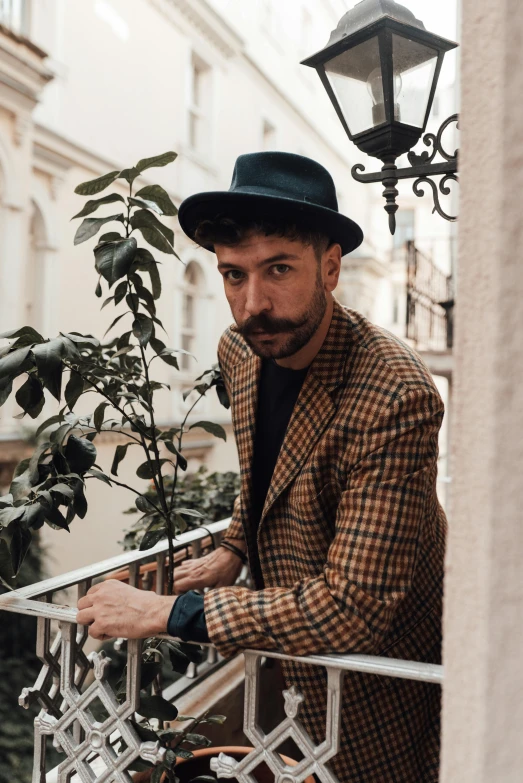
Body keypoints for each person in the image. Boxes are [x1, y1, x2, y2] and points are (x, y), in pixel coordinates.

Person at [77, 152, 447, 783]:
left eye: (279, 269)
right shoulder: (241, 349)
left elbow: (350, 609)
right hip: (287, 672)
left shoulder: (395, 392)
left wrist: (162, 613)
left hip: (383, 673)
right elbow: (264, 469)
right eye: (233, 275)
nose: (253, 303)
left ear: (330, 267)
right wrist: (233, 547)